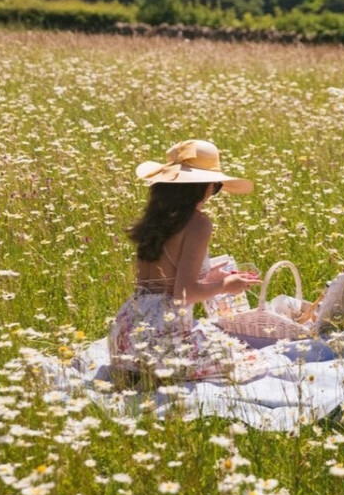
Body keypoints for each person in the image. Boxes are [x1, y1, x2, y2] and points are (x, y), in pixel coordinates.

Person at [108, 139, 263, 381]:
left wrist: (209, 277)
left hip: (124, 337)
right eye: (216, 185)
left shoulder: (154, 219)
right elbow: (184, 295)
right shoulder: (198, 223)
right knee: (250, 359)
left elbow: (163, 283)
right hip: (162, 340)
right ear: (202, 187)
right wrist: (226, 286)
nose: (214, 193)